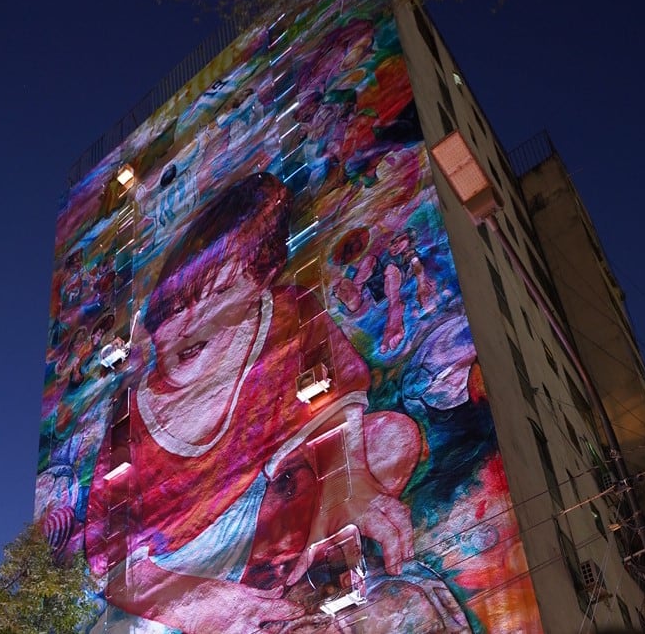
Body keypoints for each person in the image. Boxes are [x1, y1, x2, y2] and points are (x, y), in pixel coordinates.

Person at [85, 172, 419, 633]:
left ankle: (290, 583)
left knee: (391, 437)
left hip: (281, 515)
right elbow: (112, 563)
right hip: (189, 565)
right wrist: (193, 603)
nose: (189, 324)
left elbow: (334, 407)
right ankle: (245, 609)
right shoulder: (129, 418)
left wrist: (347, 484)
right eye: (173, 308)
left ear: (259, 284)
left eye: (219, 296)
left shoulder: (290, 312)